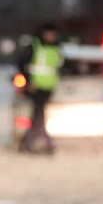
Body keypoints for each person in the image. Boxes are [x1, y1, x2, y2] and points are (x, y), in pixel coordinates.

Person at [17, 23, 63, 154]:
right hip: (36, 87)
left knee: (39, 114)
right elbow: (22, 63)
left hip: (49, 86)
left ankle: (31, 141)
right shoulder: (35, 46)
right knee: (38, 114)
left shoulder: (57, 48)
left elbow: (59, 66)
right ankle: (38, 141)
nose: (51, 37)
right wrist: (28, 81)